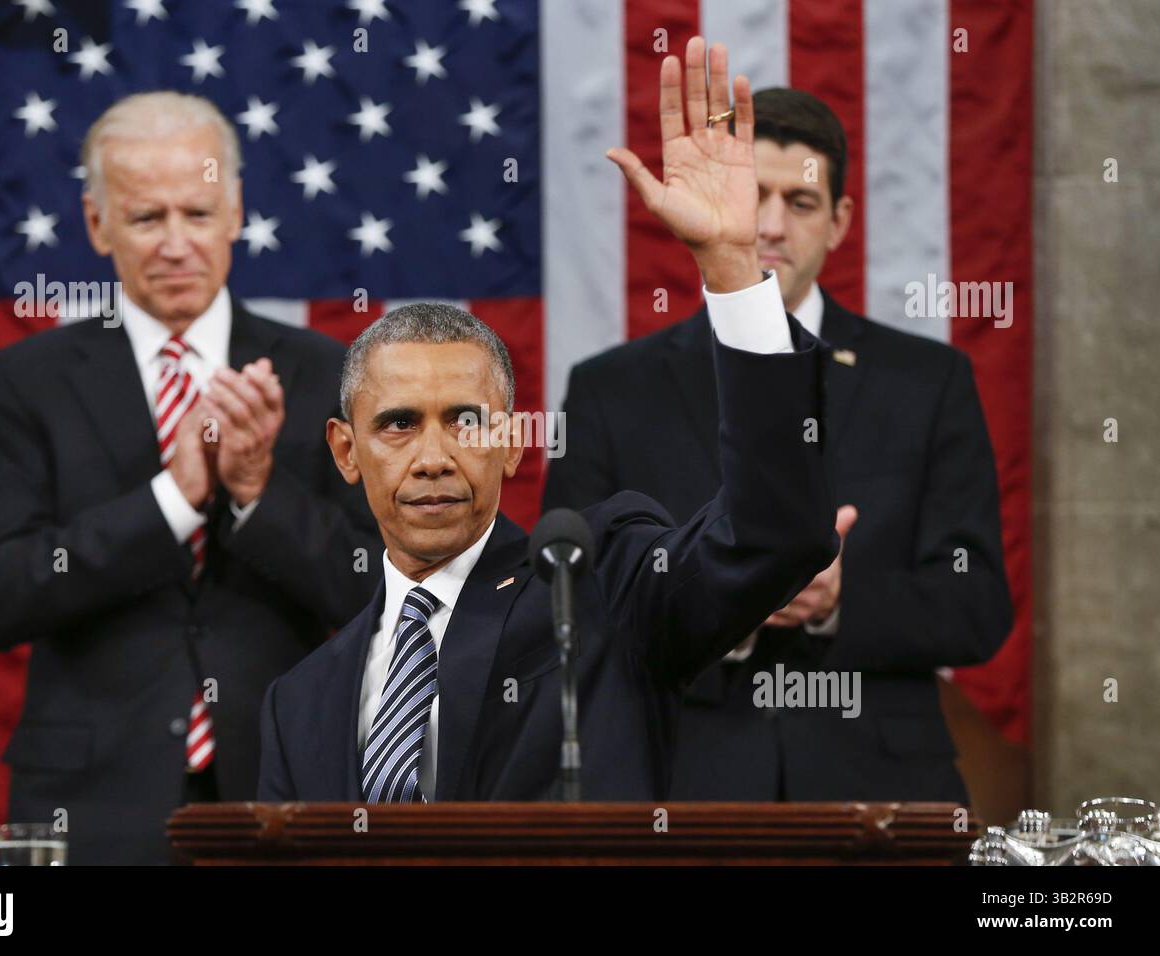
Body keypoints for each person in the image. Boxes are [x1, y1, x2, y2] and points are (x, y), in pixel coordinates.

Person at [259, 38, 837, 803]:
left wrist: (731, 265)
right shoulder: (298, 700)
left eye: (465, 422)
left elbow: (774, 537)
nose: (433, 457)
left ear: (508, 439)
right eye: (398, 425)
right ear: (345, 449)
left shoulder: (603, 598)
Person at [542, 86, 1013, 802]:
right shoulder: (612, 388)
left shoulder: (929, 380)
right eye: (751, 194)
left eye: (799, 202)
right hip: (679, 782)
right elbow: (570, 603)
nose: (767, 224)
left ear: (838, 222)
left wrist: (837, 597)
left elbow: (976, 604)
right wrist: (726, 596)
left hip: (880, 788)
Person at [0, 92, 381, 863]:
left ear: (236, 213)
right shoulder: (27, 381)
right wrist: (173, 500)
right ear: (97, 225)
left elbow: (376, 596)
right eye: (148, 219)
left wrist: (257, 494)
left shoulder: (327, 374)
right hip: (90, 807)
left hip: (284, 790)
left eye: (197, 212)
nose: (176, 244)